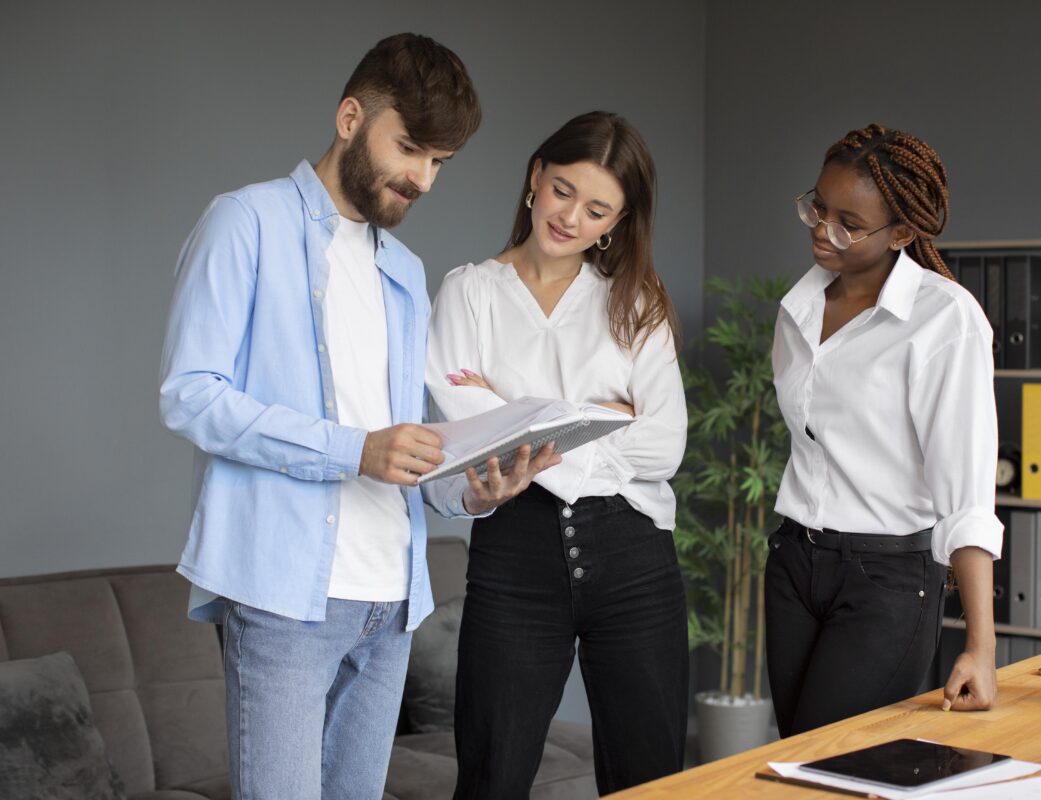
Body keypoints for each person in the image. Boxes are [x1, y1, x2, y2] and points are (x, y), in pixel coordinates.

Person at [159, 33, 558, 799]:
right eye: (410, 148)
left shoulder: (403, 271)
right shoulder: (246, 223)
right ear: (350, 117)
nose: (423, 179)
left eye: (439, 162)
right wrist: (355, 451)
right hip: (285, 601)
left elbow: (398, 444)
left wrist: (474, 489)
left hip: (394, 601)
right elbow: (192, 393)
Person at [425, 110, 689, 797]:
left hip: (636, 560)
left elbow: (663, 448)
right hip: (515, 558)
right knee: (491, 777)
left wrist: (511, 413)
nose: (572, 217)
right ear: (535, 179)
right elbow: (455, 449)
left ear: (618, 222)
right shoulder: (470, 293)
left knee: (651, 782)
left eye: (598, 208)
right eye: (564, 190)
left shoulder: (637, 303)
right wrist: (603, 420)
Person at [765, 123, 1002, 736]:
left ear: (901, 232)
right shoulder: (799, 307)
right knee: (795, 758)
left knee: (833, 761)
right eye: (818, 207)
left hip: (887, 579)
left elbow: (967, 496)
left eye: (847, 221)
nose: (822, 230)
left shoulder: (944, 320)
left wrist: (980, 644)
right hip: (794, 561)